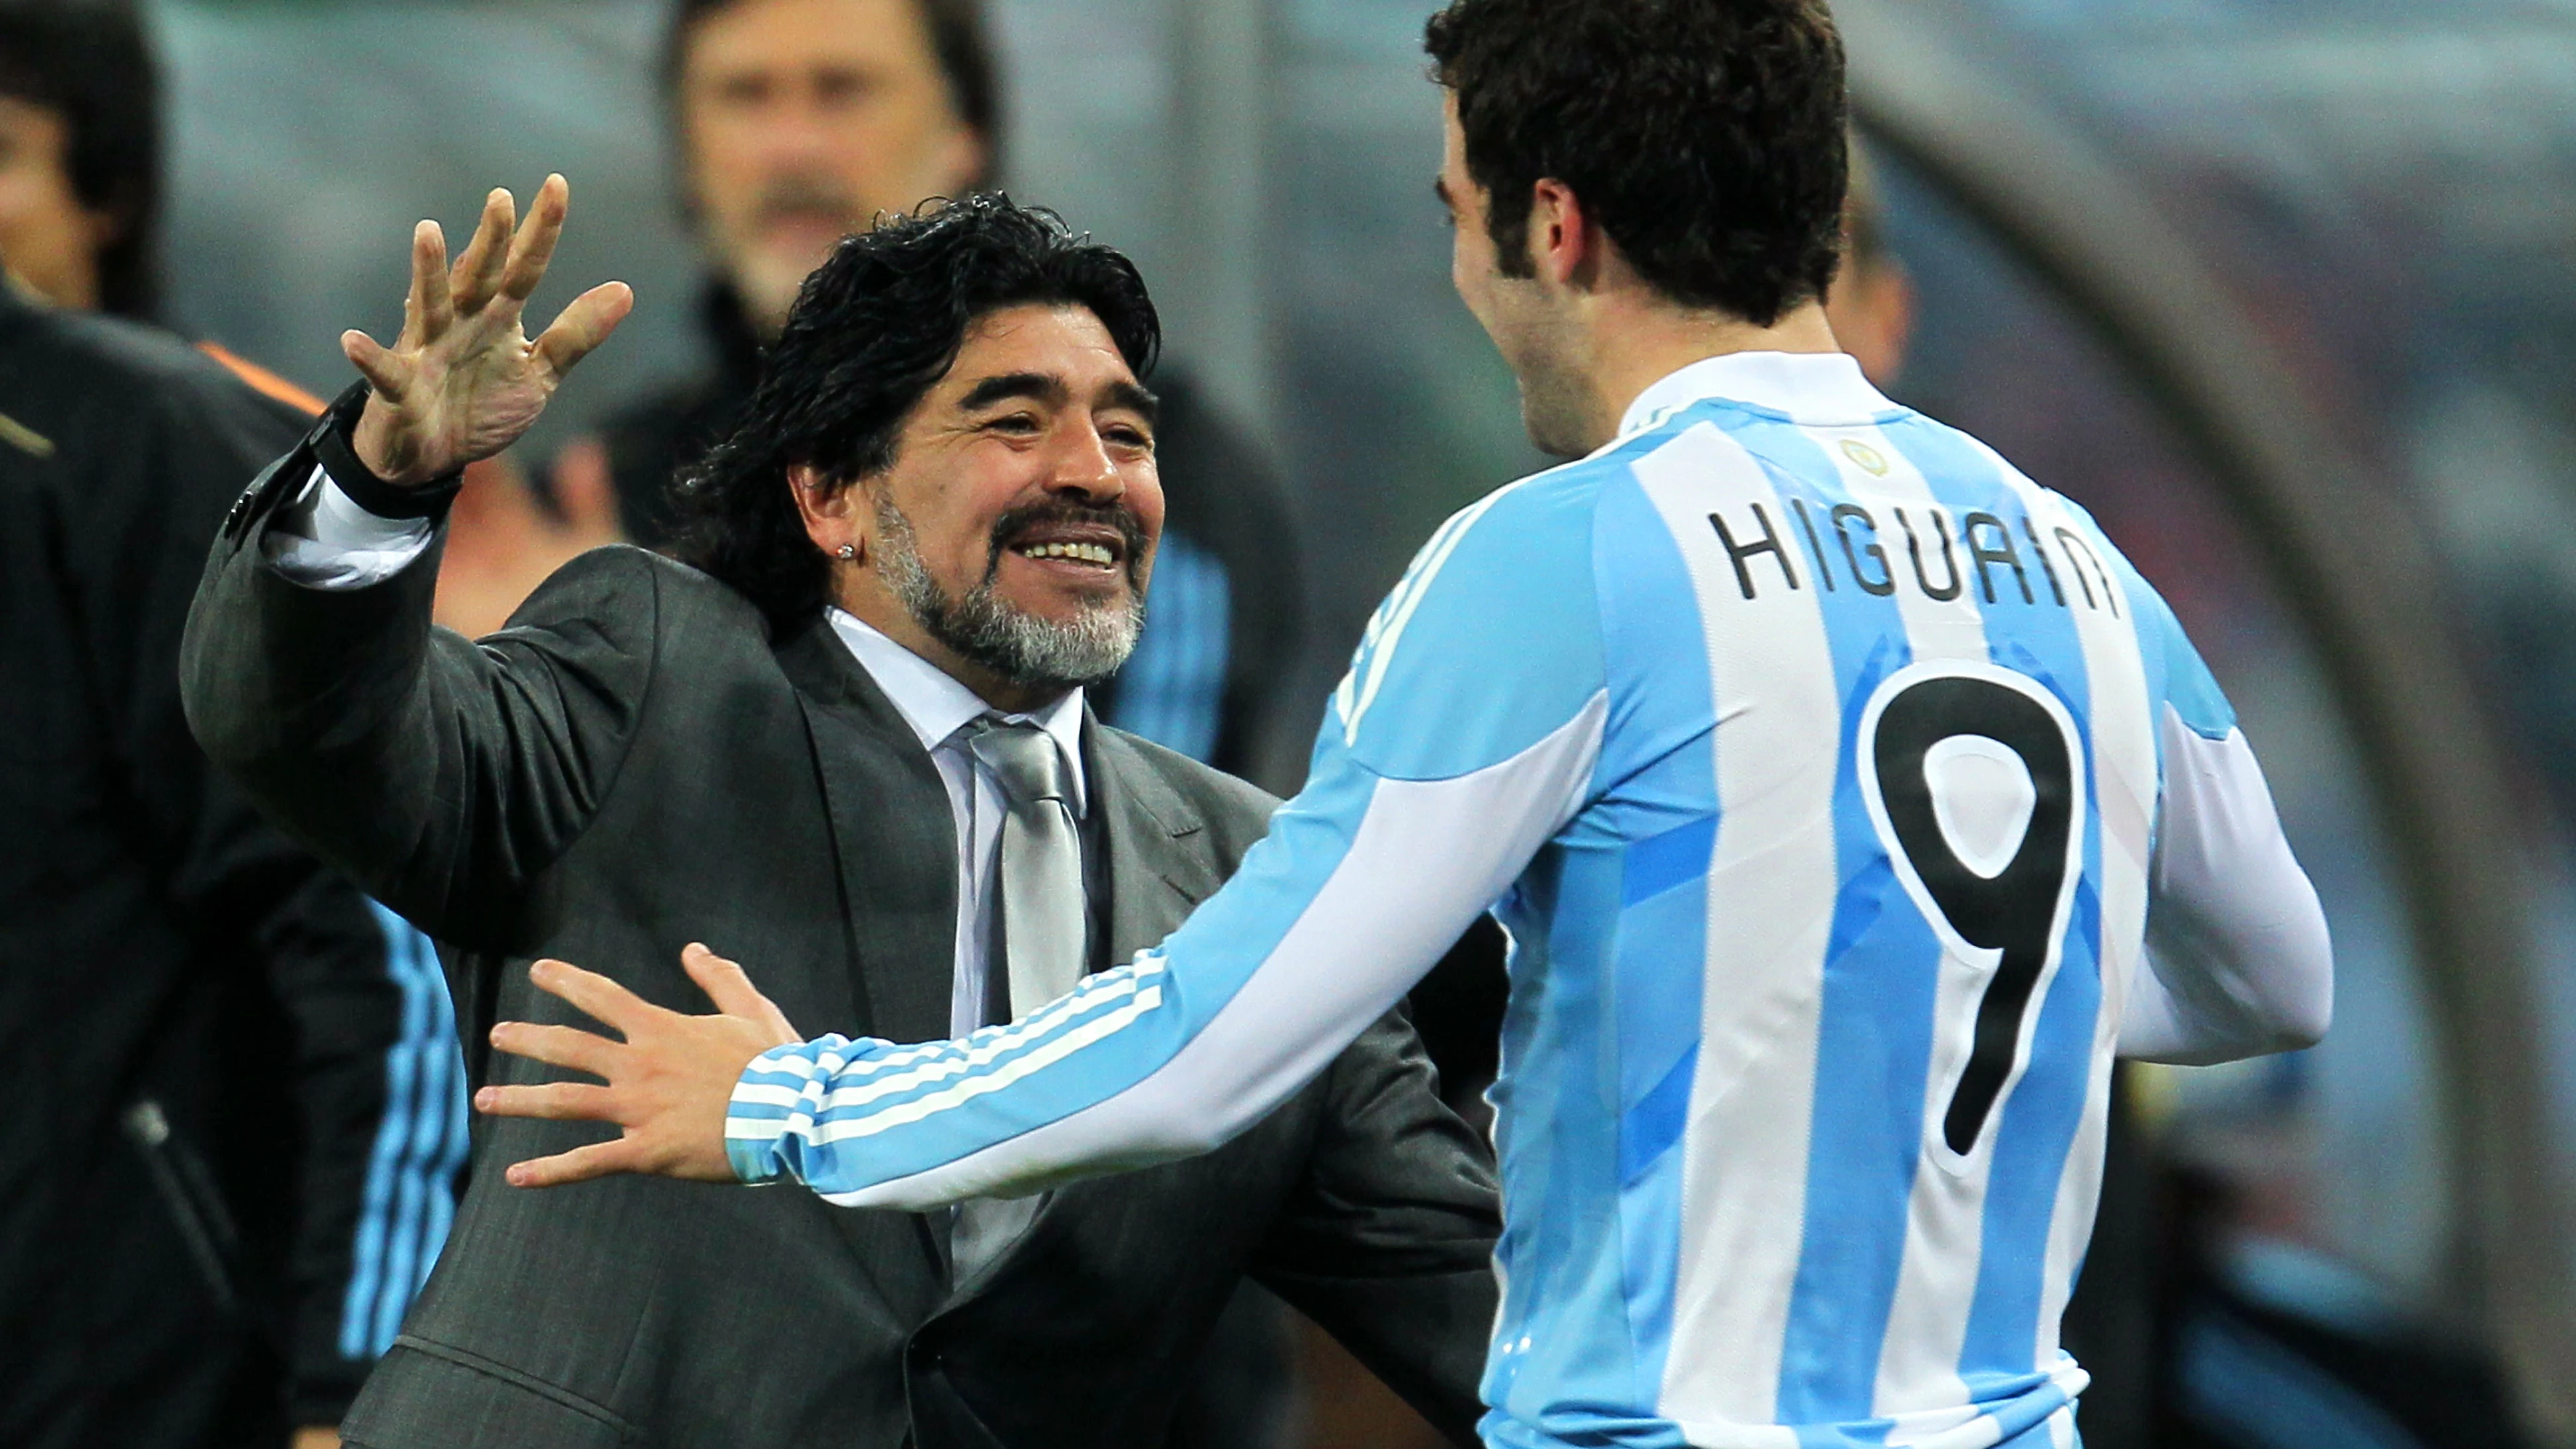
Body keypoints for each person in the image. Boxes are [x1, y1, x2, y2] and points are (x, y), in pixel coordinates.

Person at [479, 3, 2339, 1446]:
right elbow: (2275, 978)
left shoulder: (1565, 559)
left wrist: (791, 1103)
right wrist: (1848, 974)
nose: (1465, 280)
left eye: (1459, 216)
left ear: (1551, 220)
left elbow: (1210, 1040)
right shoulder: (2072, 559)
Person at [180, 179, 1500, 1448]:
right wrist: (380, 486)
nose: (1095, 471)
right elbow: (296, 727)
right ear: (830, 495)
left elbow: (1480, 1314)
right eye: (1013, 419)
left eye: (1128, 431)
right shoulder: (646, 674)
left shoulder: (1252, 882)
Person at [0, 7, 462, 1447]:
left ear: (110, 185)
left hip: (151, 1392)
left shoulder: (147, 448)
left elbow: (379, 942)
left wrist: (355, 1393)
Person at [554, 0, 1305, 786]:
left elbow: (1126, 858)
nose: (793, 148)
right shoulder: (604, 491)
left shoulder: (1137, 474)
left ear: (964, 134)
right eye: (746, 95)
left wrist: (624, 702)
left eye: (844, 90)